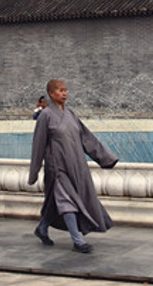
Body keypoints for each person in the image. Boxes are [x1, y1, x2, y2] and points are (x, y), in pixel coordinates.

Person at [28, 79, 118, 253]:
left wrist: (105, 158)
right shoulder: (46, 116)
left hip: (76, 165)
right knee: (67, 201)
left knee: (58, 202)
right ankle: (77, 240)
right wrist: (34, 171)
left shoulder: (70, 114)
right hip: (57, 168)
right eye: (60, 90)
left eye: (65, 90)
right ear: (51, 93)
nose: (64, 93)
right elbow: (38, 145)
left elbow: (87, 138)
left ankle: (42, 227)